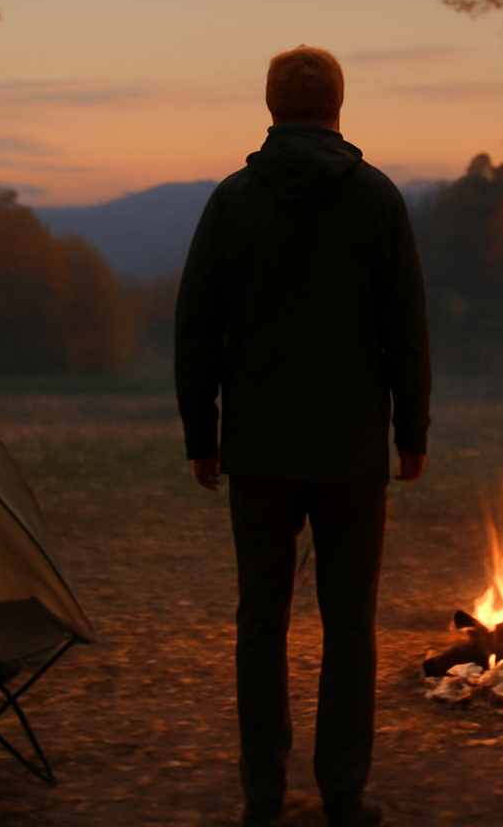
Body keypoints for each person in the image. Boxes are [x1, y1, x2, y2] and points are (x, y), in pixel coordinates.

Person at [174, 45, 431, 827]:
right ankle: (344, 795)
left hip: (258, 451)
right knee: (350, 624)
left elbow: (195, 330)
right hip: (352, 454)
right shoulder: (379, 201)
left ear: (271, 107)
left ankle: (262, 794)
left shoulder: (232, 203)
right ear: (338, 107)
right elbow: (406, 332)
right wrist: (410, 431)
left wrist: (202, 435)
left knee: (261, 622)